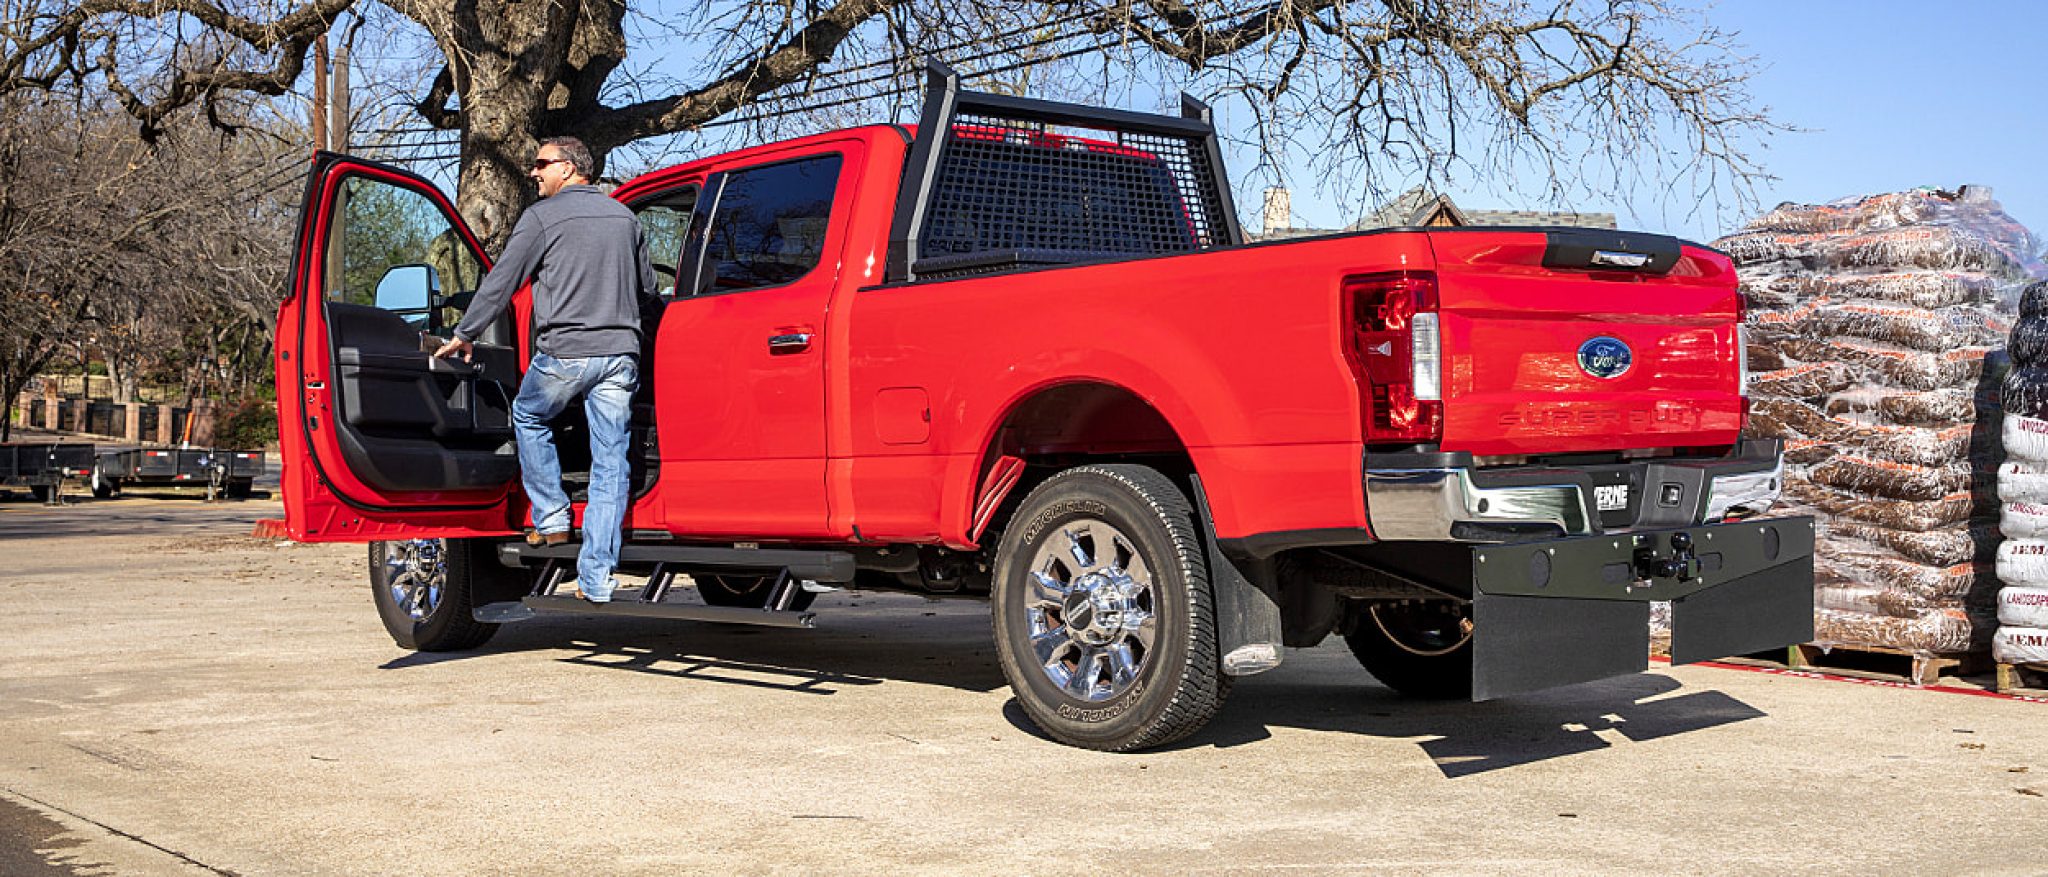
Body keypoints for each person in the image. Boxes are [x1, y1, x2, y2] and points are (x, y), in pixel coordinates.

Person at [434, 136, 657, 604]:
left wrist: (467, 331)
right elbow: (648, 291)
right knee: (611, 462)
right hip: (620, 355)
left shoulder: (541, 218)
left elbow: (502, 280)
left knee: (530, 416)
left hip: (565, 353)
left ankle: (553, 518)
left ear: (571, 168)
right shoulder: (625, 217)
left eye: (541, 164)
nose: (533, 172)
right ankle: (596, 578)